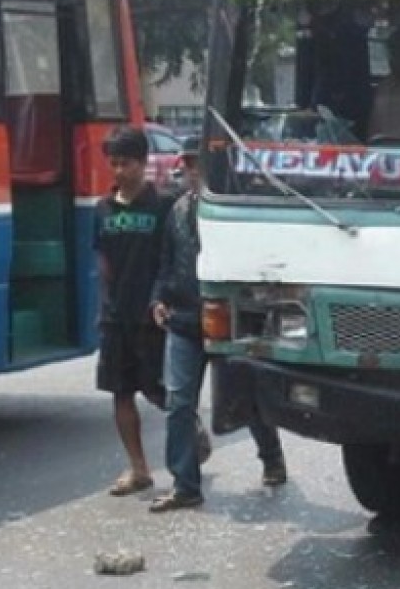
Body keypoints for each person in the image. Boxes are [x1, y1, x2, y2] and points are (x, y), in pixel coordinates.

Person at [148, 148, 287, 512]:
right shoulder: (176, 212)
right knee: (179, 404)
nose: (193, 173)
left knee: (244, 396)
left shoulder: (234, 211)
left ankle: (271, 457)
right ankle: (185, 484)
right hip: (183, 320)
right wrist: (158, 299)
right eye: (188, 167)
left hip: (227, 319)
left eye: (199, 166)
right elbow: (164, 263)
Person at [93, 125, 173, 496]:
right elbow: (104, 261)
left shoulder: (163, 207)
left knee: (161, 391)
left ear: (143, 164)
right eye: (114, 164)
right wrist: (107, 305)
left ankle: (191, 440)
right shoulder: (103, 209)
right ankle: (139, 468)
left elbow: (169, 261)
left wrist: (161, 299)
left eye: (126, 163)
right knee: (121, 393)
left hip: (151, 316)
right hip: (115, 318)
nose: (119, 171)